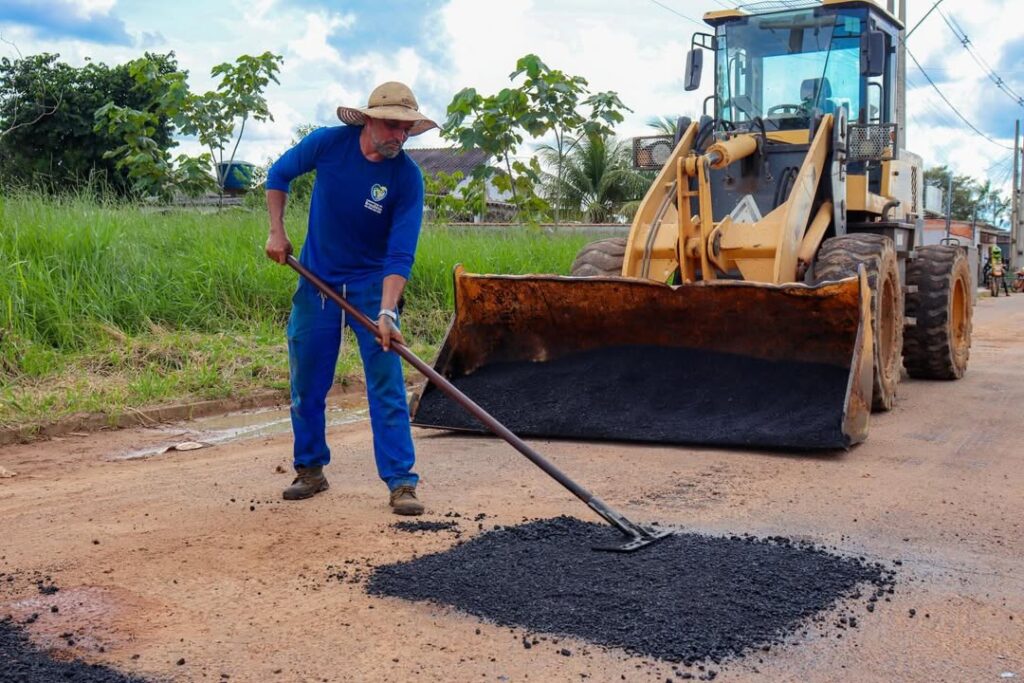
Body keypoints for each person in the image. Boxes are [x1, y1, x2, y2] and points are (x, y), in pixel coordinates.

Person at [264, 82, 437, 515]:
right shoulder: (328, 144)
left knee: (386, 383)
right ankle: (310, 469)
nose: (399, 136)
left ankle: (401, 481)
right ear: (368, 120)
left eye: (406, 129)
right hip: (317, 280)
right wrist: (276, 231)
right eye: (392, 126)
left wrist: (387, 311)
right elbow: (278, 175)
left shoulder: (407, 178)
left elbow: (401, 252)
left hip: (372, 286)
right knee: (307, 383)